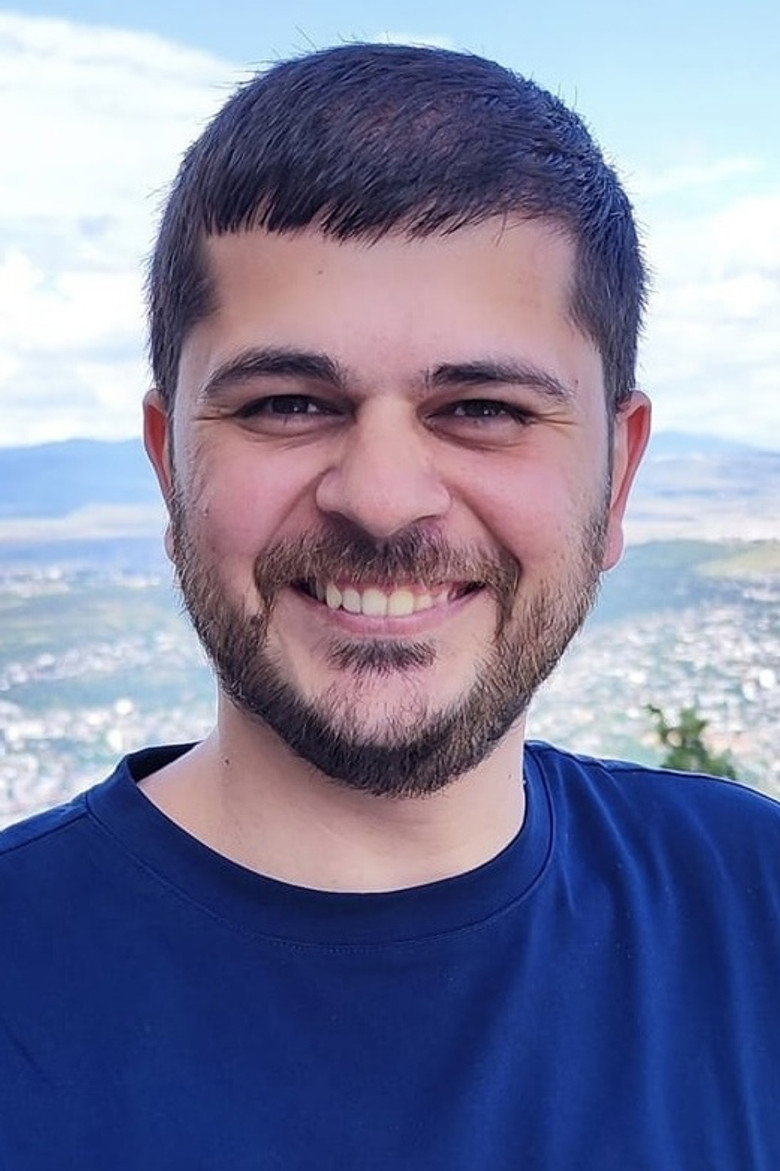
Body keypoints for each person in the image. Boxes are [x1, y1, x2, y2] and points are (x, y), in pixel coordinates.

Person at [1, 43, 778, 1171]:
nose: (380, 497)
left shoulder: (751, 907)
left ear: (618, 476)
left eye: (484, 408)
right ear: (170, 468)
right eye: (287, 402)